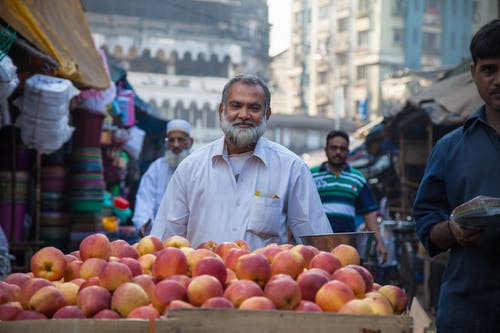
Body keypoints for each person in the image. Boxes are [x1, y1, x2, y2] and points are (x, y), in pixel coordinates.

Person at [151, 74, 333, 249]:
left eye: (254, 108)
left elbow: (317, 245)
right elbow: (165, 241)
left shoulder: (292, 168)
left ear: (267, 114)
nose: (244, 115)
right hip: (202, 279)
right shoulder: (191, 168)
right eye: (236, 105)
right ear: (222, 111)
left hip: (265, 281)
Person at [413, 19, 500, 332]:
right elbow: (425, 222)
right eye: (489, 70)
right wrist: (452, 230)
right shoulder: (450, 148)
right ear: (474, 73)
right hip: (467, 309)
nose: (498, 80)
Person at [311, 130, 387, 262]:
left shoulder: (357, 178)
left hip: (347, 247)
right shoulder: (311, 175)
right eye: (334, 148)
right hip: (318, 246)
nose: (338, 152)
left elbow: (369, 214)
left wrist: (379, 242)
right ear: (326, 150)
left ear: (347, 151)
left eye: (342, 149)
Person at [132, 119, 193, 237]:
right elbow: (145, 198)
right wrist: (143, 222)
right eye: (171, 140)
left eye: (180, 140)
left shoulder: (197, 167)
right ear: (166, 143)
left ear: (190, 142)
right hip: (157, 236)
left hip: (189, 237)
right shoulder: (156, 168)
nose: (176, 145)